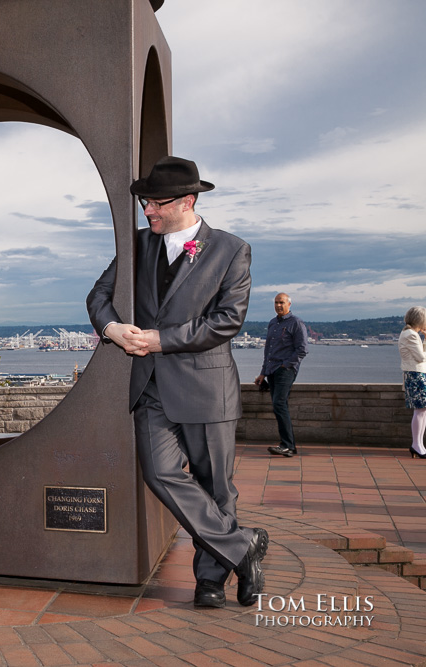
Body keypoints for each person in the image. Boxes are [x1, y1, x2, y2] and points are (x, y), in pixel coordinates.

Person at [86, 156, 267, 609]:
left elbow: (227, 321)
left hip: (207, 389)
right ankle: (241, 547)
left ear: (187, 202)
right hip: (149, 387)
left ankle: (210, 581)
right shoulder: (137, 245)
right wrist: (112, 329)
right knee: (160, 473)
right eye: (145, 202)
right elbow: (98, 296)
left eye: (156, 203)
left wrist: (160, 340)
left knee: (215, 486)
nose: (147, 211)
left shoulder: (231, 249)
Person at [254, 293, 308, 458]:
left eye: (282, 302)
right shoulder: (272, 323)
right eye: (276, 302)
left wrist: (286, 365)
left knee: (279, 404)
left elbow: (302, 349)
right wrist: (263, 373)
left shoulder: (296, 323)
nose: (278, 305)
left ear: (289, 304)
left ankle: (288, 446)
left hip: (285, 370)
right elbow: (268, 351)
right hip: (271, 370)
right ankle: (287, 445)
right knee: (278, 405)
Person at [399, 306, 426, 459]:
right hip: (416, 375)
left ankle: (419, 445)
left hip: (417, 374)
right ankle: (417, 444)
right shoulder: (411, 335)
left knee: (422, 411)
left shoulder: (410, 334)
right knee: (420, 410)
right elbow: (421, 357)